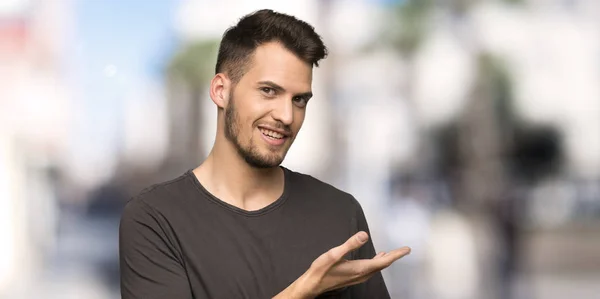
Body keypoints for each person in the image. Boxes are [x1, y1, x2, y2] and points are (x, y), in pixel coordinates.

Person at [119, 9, 410, 299]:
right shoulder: (155, 219)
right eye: (269, 91)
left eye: (299, 100)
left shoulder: (341, 213)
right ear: (221, 91)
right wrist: (303, 291)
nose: (286, 116)